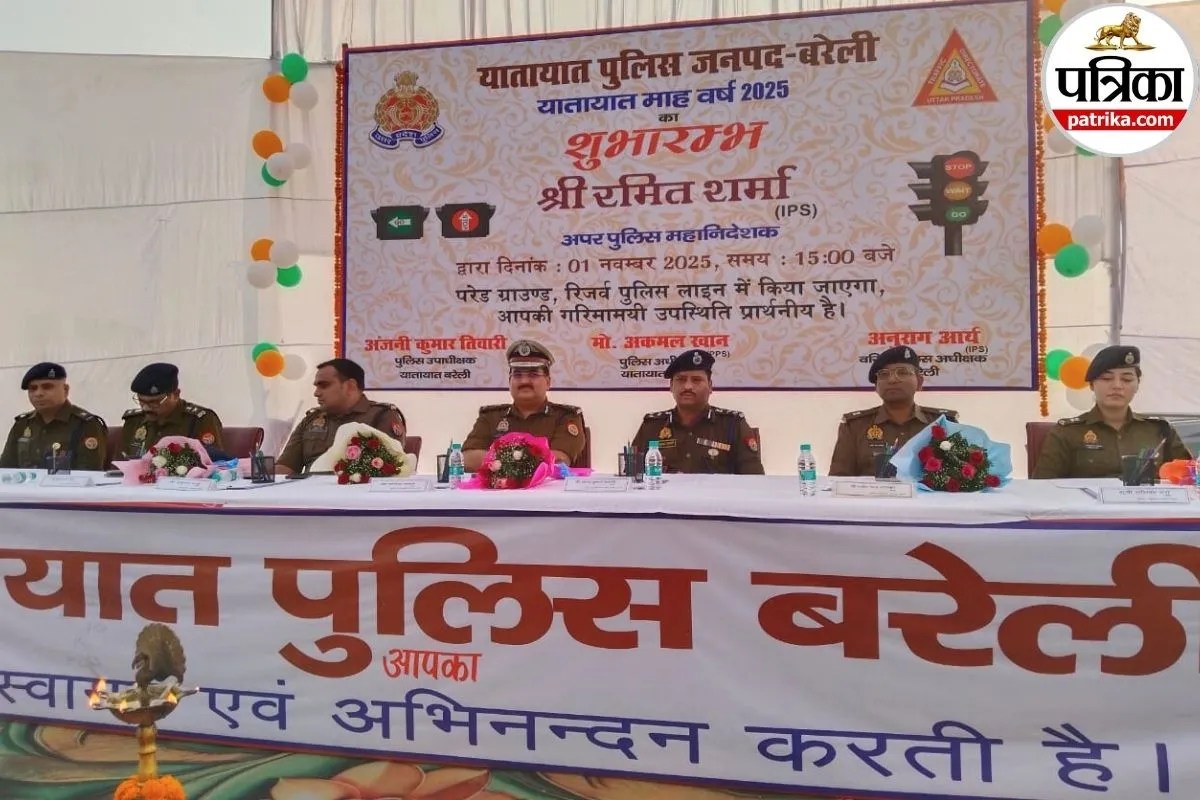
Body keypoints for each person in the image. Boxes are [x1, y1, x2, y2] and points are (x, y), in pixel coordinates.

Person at [1032, 345, 1192, 479]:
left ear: (1137, 385)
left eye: (1127, 379)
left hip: (1148, 507)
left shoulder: (1160, 431)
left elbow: (1190, 479)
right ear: (1091, 385)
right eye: (1106, 379)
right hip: (1087, 507)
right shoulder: (1067, 433)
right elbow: (1042, 488)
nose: (1117, 386)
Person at [829, 345, 958, 476]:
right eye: (884, 374)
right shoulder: (855, 426)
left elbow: (959, 476)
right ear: (876, 386)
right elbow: (838, 480)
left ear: (919, 382)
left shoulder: (943, 423)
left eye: (902, 372)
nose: (892, 379)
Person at [631, 349, 764, 474]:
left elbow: (754, 479)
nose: (688, 386)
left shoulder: (733, 425)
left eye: (696, 380)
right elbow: (632, 476)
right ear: (671, 386)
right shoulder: (652, 426)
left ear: (710, 386)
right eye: (681, 380)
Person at [462, 340, 587, 470]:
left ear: (548, 382)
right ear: (509, 382)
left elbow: (559, 460)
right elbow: (467, 459)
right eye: (517, 375)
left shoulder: (566, 417)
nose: (524, 381)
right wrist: (520, 458)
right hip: (497, 484)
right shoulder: (491, 417)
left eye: (533, 375)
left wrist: (499, 459)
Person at [276, 358, 407, 475]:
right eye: (316, 387)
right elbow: (286, 467)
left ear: (350, 386)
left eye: (324, 385)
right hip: (308, 492)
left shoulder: (381, 416)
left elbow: (386, 469)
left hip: (356, 492)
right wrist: (265, 476)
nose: (316, 393)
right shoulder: (311, 420)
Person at [0, 362, 108, 470]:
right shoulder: (23, 424)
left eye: (47, 387)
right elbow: (5, 468)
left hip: (67, 482)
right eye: (33, 388)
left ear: (65, 390)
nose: (38, 393)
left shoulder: (86, 424)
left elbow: (89, 473)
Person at [120, 363, 224, 458]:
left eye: (154, 402)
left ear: (175, 394)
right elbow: (119, 463)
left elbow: (213, 463)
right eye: (141, 401)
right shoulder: (133, 421)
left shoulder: (199, 420)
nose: (146, 408)